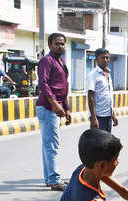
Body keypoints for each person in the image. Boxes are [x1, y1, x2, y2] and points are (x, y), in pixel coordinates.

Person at [36, 33, 71, 191]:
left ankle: (50, 178)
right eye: (57, 44)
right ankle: (54, 179)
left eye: (62, 44)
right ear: (50, 45)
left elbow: (63, 87)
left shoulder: (61, 62)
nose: (60, 47)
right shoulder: (46, 61)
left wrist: (67, 108)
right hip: (48, 107)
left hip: (56, 107)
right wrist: (55, 104)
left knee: (48, 144)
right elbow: (43, 84)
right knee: (52, 145)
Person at [87, 48, 117, 133]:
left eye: (107, 58)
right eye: (103, 58)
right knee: (97, 144)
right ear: (96, 59)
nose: (105, 60)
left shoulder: (108, 74)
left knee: (106, 143)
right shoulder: (93, 75)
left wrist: (113, 114)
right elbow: (90, 96)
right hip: (98, 117)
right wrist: (93, 118)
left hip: (108, 116)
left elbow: (109, 96)